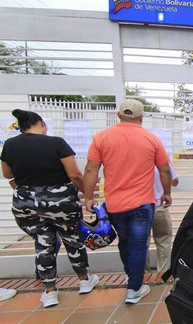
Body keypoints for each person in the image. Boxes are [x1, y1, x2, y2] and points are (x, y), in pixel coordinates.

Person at [1, 109, 99, 308]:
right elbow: (75, 175)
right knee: (72, 239)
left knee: (43, 243)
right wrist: (88, 196)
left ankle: (50, 292)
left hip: (27, 204)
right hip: (61, 202)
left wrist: (26, 191)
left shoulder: (10, 145)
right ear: (42, 124)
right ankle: (84, 280)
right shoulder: (56, 143)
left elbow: (8, 174)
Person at [83, 99, 172, 304]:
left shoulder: (102, 138)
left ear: (118, 114)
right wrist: (166, 193)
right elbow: (165, 169)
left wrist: (89, 197)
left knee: (125, 242)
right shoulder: (152, 139)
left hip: (115, 205)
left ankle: (131, 277)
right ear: (141, 117)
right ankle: (134, 288)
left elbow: (90, 170)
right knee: (139, 245)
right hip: (142, 205)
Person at [147, 163, 179, 273]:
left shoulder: (135, 160)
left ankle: (143, 274)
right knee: (163, 240)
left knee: (141, 243)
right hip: (159, 206)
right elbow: (175, 182)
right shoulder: (161, 160)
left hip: (141, 207)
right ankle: (163, 273)